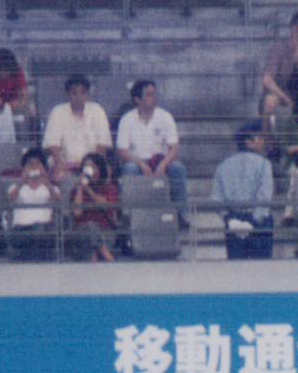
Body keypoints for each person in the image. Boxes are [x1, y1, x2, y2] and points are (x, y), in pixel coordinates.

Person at [116, 80, 189, 211]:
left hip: (161, 161)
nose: (154, 98)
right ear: (137, 99)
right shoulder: (127, 119)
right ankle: (129, 216)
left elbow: (174, 147)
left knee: (178, 168)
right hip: (137, 162)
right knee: (130, 169)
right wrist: (142, 164)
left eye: (154, 94)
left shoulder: (165, 116)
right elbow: (122, 151)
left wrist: (164, 164)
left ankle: (182, 214)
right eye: (149, 95)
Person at [212, 121, 275, 260]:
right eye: (260, 138)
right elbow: (264, 198)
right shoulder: (264, 164)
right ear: (249, 142)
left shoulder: (222, 166)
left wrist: (229, 219)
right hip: (259, 224)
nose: (263, 142)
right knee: (263, 270)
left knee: (236, 269)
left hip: (233, 221)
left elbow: (217, 200)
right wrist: (252, 222)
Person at [41, 74, 112, 183]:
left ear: (87, 94)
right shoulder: (57, 112)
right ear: (68, 94)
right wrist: (63, 164)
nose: (79, 97)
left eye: (83, 93)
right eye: (74, 93)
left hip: (92, 164)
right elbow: (53, 146)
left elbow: (102, 146)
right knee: (57, 174)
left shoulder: (97, 110)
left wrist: (90, 166)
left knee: (102, 172)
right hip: (65, 164)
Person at [6, 149, 59, 261]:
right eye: (30, 164)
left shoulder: (50, 187)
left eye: (37, 164)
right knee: (34, 233)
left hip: (44, 229)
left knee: (40, 230)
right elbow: (11, 198)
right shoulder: (16, 187)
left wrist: (46, 181)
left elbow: (58, 200)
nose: (34, 167)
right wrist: (22, 181)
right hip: (21, 229)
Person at [68, 152, 119, 262]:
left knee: (93, 247)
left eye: (92, 166)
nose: (88, 170)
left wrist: (88, 190)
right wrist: (80, 188)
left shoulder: (110, 188)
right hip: (83, 234)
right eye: (86, 167)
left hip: (105, 233)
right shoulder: (76, 190)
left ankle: (96, 256)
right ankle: (107, 256)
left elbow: (106, 206)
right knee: (90, 226)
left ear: (99, 169)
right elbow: (77, 213)